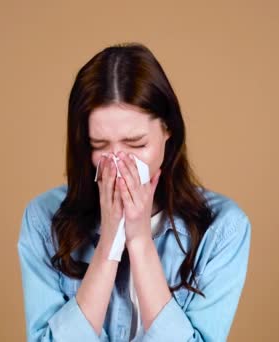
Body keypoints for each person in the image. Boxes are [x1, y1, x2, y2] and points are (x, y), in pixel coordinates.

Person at [17, 42, 252, 342]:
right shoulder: (42, 219)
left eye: (137, 144)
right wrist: (108, 247)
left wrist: (139, 240)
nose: (118, 162)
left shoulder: (223, 229)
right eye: (100, 146)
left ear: (169, 131)